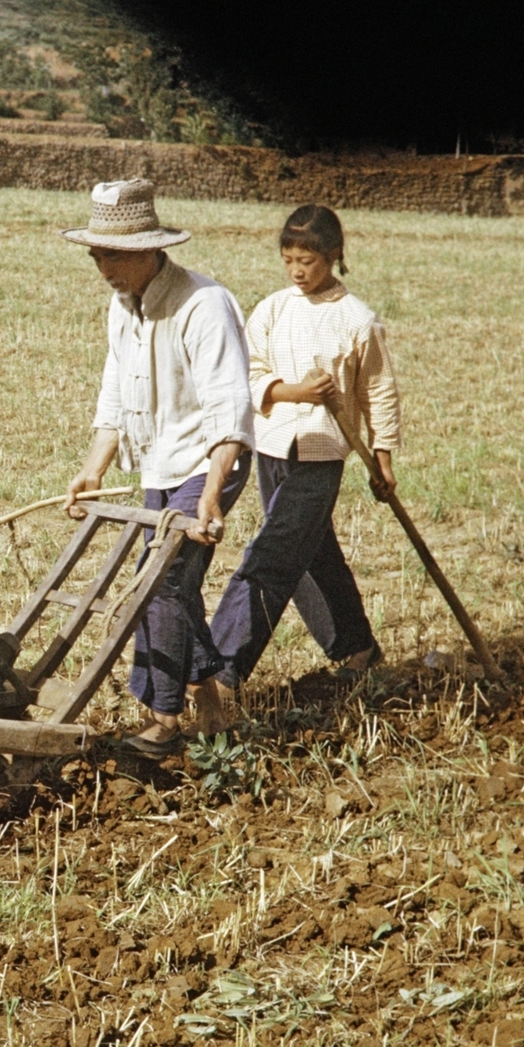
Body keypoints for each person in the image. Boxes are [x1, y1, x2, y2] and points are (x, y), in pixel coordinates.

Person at [59, 179, 255, 756]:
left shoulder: (203, 305)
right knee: (175, 583)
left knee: (161, 581)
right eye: (97, 255)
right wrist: (93, 468)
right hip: (160, 464)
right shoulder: (122, 308)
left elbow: (230, 412)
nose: (104, 268)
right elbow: (114, 396)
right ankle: (212, 700)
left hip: (209, 458)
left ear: (149, 247)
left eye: (114, 255)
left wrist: (212, 494)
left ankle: (165, 719)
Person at [199, 204, 394, 710]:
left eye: (307, 260)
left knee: (273, 555)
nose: (297, 270)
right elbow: (249, 370)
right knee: (310, 551)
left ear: (333, 256)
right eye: (288, 260)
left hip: (322, 453)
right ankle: (357, 647)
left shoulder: (357, 320)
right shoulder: (272, 309)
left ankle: (222, 668)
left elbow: (379, 391)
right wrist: (293, 393)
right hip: (271, 446)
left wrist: (383, 455)